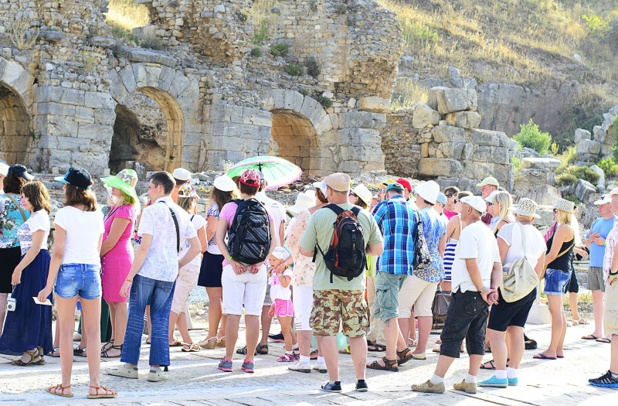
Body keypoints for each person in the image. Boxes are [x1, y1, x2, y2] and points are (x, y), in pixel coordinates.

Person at [106, 171, 200, 382]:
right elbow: (197, 247)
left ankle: (130, 364)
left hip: (147, 270)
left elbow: (144, 247)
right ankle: (156, 368)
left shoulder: (151, 212)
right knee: (160, 318)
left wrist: (129, 277)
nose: (147, 191)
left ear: (159, 187)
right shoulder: (182, 213)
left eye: (149, 187)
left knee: (137, 315)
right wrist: (177, 264)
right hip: (168, 273)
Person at [300, 172, 384, 393]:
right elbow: (378, 249)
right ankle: (361, 379)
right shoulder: (364, 215)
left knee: (326, 332)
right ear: (348, 191)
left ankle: (334, 380)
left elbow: (305, 249)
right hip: (355, 284)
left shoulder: (319, 216)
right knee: (356, 333)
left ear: (329, 191)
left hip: (325, 284)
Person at [37, 168, 116, 398]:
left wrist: (47, 284)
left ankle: (66, 385)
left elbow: (59, 252)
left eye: (64, 185)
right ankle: (94, 385)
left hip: (68, 271)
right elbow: (98, 248)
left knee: (66, 330)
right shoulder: (98, 214)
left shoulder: (63, 214)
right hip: (91, 270)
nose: (62, 188)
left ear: (70, 189)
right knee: (93, 333)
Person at [412, 196, 501, 395]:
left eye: (462, 208)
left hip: (469, 291)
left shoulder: (469, 232)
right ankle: (471, 380)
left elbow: (471, 263)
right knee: (476, 337)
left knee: (451, 336)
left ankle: (436, 381)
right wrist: (492, 289)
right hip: (482, 293)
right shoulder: (488, 233)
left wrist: (482, 289)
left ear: (469, 210)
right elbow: (497, 267)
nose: (459, 211)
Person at [479, 198, 546, 388]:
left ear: (516, 214)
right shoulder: (539, 236)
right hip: (528, 287)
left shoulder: (509, 229)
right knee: (517, 331)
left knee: (495, 332)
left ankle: (500, 375)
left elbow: (499, 258)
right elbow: (540, 267)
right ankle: (512, 372)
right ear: (533, 217)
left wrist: (493, 286)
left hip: (507, 285)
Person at [216, 169, 276, 373]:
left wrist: (231, 261)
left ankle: (228, 358)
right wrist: (262, 261)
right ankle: (249, 359)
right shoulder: (265, 210)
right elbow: (273, 241)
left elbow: (219, 238)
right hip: (258, 269)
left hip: (235, 268)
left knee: (232, 313)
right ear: (258, 188)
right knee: (253, 314)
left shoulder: (229, 207)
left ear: (239, 186)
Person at [0, 180, 52, 367]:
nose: (21, 200)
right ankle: (34, 349)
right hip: (32, 260)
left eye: (24, 197)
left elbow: (36, 247)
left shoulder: (39, 217)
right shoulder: (36, 215)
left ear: (33, 197)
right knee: (30, 304)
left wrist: (18, 268)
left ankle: (31, 350)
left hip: (34, 262)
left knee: (27, 304)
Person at [399, 181, 446, 360]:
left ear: (421, 197)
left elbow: (411, 243)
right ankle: (420, 350)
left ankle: (401, 349)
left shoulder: (417, 215)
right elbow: (442, 247)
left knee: (402, 307)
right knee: (425, 309)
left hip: (419, 266)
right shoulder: (440, 218)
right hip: (435, 266)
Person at [287, 186, 329, 374]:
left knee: (303, 317)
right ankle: (322, 359)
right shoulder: (337, 215)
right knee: (323, 317)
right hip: (328, 273)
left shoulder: (305, 215)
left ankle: (304, 360)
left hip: (305, 270)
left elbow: (292, 242)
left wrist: (294, 259)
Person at [99, 169, 139, 359]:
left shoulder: (125, 210)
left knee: (119, 302)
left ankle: (120, 343)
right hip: (111, 258)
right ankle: (115, 339)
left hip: (118, 258)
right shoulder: (117, 207)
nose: (112, 187)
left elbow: (111, 240)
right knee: (111, 301)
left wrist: (96, 255)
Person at [535, 198, 579, 360]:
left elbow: (552, 254)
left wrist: (538, 269)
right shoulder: (571, 229)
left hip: (556, 272)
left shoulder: (563, 228)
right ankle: (558, 349)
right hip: (564, 271)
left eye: (555, 210)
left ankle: (552, 350)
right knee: (559, 311)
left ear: (562, 212)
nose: (553, 213)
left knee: (555, 312)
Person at [197, 175, 238, 349]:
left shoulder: (215, 208)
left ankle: (211, 335)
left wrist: (201, 246)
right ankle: (223, 334)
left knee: (214, 298)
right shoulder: (235, 207)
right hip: (230, 255)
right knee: (227, 297)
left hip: (214, 254)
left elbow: (211, 229)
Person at [249, 174, 286, 354]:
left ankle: (250, 343)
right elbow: (281, 237)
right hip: (273, 261)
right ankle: (263, 341)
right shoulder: (278, 206)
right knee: (265, 303)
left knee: (250, 303)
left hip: (252, 259)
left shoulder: (246, 204)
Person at [168, 184, 207, 352]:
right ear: (193, 201)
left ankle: (186, 340)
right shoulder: (197, 220)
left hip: (174, 261)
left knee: (179, 302)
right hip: (190, 263)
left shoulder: (174, 217)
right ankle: (164, 338)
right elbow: (203, 246)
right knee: (177, 305)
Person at [589, 188, 618, 387]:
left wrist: (613, 274)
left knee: (615, 328)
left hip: (615, 278)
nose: (612, 202)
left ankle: (614, 374)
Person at [0, 165, 31, 335]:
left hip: (3, 249)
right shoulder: (28, 202)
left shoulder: (0, 200)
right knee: (20, 293)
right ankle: (17, 334)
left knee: (2, 294)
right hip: (24, 251)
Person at [582, 195, 615, 341]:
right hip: (594, 265)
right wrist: (590, 240)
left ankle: (610, 333)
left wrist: (603, 243)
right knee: (597, 299)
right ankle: (597, 331)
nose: (599, 208)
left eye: (602, 205)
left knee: (610, 300)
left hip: (607, 266)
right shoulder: (596, 222)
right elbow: (587, 243)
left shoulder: (616, 222)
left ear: (610, 205)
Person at [267, 247, 296, 362]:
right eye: (270, 260)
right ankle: (296, 349)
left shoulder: (286, 272)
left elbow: (284, 284)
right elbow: (273, 291)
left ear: (281, 261)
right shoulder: (273, 273)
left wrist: (279, 274)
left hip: (284, 303)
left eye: (274, 260)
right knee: (287, 328)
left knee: (285, 330)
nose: (271, 262)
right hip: (277, 303)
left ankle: (289, 353)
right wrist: (272, 305)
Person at [441, 191, 472, 294]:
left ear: (462, 203)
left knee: (444, 299)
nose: (454, 204)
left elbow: (442, 240)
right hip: (464, 265)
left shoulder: (456, 220)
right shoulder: (474, 222)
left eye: (456, 201)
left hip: (450, 264)